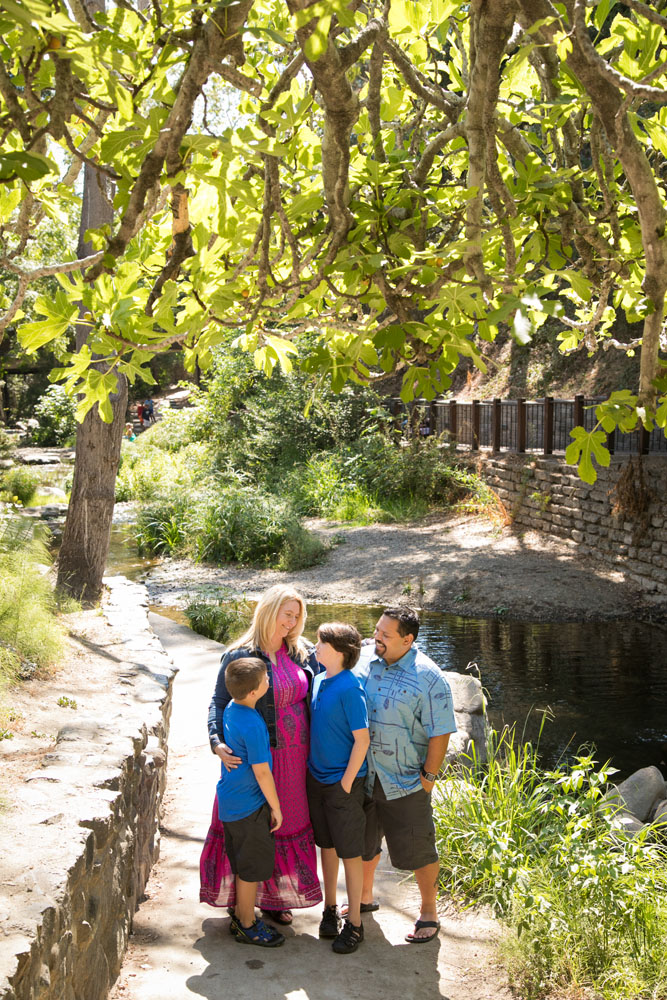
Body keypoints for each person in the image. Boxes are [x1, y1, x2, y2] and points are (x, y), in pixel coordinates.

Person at [200, 585, 323, 924]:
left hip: (297, 755)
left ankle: (275, 897)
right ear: (269, 612)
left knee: (288, 822)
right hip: (258, 757)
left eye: (297, 616)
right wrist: (215, 741)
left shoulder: (300, 652)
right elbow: (218, 702)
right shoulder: (239, 655)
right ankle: (243, 899)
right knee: (254, 825)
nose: (293, 622)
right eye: (288, 614)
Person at [353, 606, 456, 943]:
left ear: (408, 640)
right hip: (366, 773)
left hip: (406, 779)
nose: (375, 638)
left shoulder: (429, 677)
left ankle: (429, 912)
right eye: (377, 630)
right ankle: (365, 897)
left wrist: (428, 777)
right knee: (365, 842)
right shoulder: (367, 660)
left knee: (419, 848)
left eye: (385, 634)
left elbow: (441, 732)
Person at [306, 622, 369, 954]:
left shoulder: (350, 687)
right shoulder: (318, 680)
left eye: (322, 642)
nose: (316, 646)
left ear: (342, 652)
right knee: (326, 848)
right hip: (316, 781)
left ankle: (355, 922)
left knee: (350, 853)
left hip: (342, 786)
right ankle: (329, 910)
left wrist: (345, 784)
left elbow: (362, 740)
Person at [216, 656, 285, 948]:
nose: (270, 681)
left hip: (231, 802)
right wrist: (276, 807)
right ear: (255, 692)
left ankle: (242, 916)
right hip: (249, 806)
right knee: (250, 869)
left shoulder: (232, 708)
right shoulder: (253, 725)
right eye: (266, 679)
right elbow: (261, 771)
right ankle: (247, 924)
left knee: (244, 864)